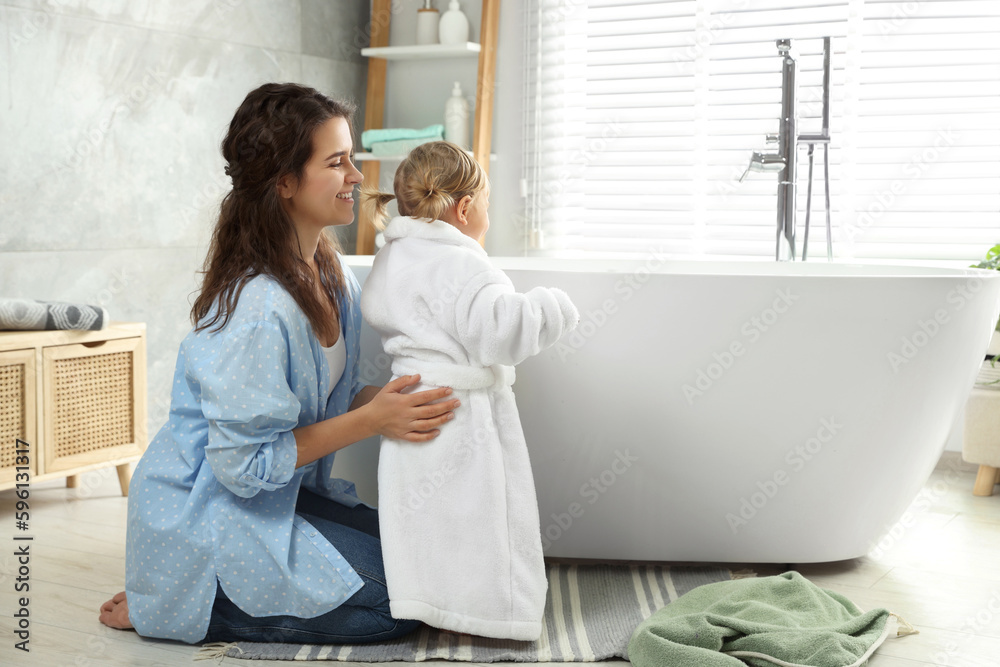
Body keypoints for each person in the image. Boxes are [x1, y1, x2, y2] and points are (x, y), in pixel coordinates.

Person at [98, 83, 461, 645]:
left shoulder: (331, 273)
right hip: (211, 517)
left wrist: (404, 396)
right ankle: (189, 594)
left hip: (280, 499)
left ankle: (173, 586)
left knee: (434, 570)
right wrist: (372, 421)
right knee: (400, 608)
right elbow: (240, 469)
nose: (358, 177)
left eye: (353, 160)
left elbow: (338, 395)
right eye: (337, 163)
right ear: (285, 183)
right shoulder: (257, 308)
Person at [359, 141, 580, 640]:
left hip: (410, 412)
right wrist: (552, 306)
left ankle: (431, 603)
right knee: (482, 522)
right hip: (462, 418)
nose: (486, 215)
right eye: (485, 204)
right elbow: (500, 333)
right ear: (463, 208)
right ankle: (491, 613)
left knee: (425, 521)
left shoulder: (394, 259)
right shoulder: (464, 267)